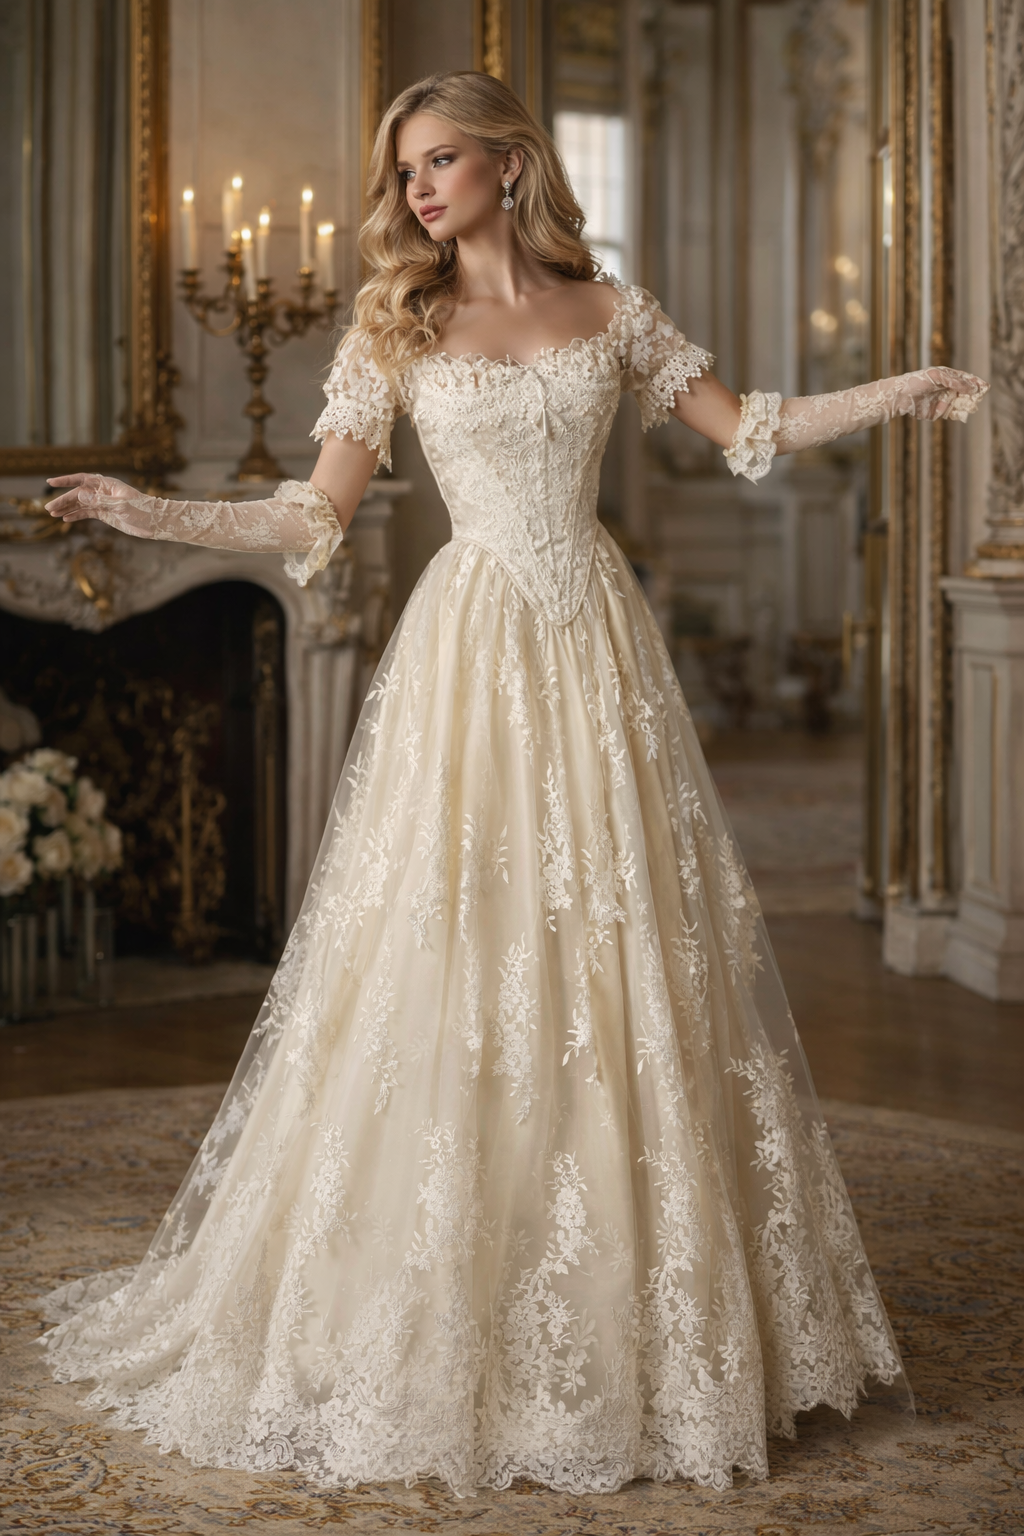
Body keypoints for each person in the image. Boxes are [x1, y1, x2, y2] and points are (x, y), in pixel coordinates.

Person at [40, 71, 987, 1498]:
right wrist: (146, 509)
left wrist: (903, 392)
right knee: (456, 942)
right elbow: (314, 511)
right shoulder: (396, 324)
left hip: (594, 648)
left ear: (505, 162)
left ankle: (648, 1319)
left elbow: (750, 430)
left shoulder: (611, 311)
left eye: (437, 163)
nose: (417, 191)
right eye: (404, 172)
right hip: (471, 648)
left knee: (620, 954)